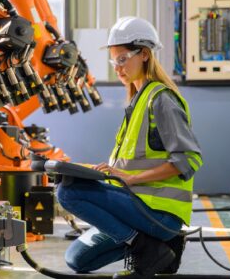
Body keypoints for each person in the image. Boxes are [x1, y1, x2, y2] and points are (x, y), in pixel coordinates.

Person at [57, 16, 202, 279]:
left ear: (144, 54)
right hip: (134, 207)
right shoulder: (137, 101)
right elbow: (129, 164)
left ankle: (145, 248)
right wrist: (95, 171)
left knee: (67, 192)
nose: (117, 68)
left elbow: (188, 160)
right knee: (77, 259)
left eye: (122, 59)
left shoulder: (161, 100)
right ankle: (157, 247)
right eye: (114, 61)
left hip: (159, 214)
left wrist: (133, 178)